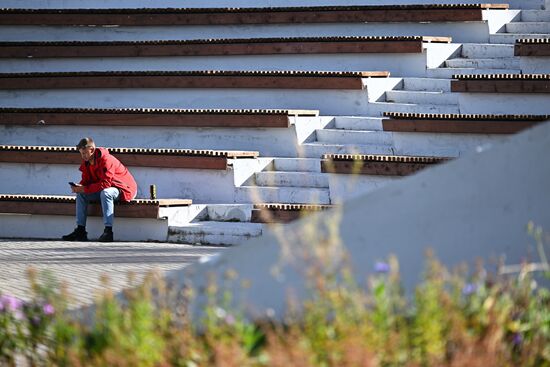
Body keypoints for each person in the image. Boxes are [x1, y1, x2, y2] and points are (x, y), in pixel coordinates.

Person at [62, 138, 138, 242]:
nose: (83, 156)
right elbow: (86, 181)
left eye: (84, 153)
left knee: (106, 193)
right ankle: (80, 231)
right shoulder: (87, 162)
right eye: (81, 153)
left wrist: (84, 188)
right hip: (106, 189)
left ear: (92, 150)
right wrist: (78, 187)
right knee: (81, 194)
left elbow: (105, 184)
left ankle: (108, 231)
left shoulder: (106, 159)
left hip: (124, 189)